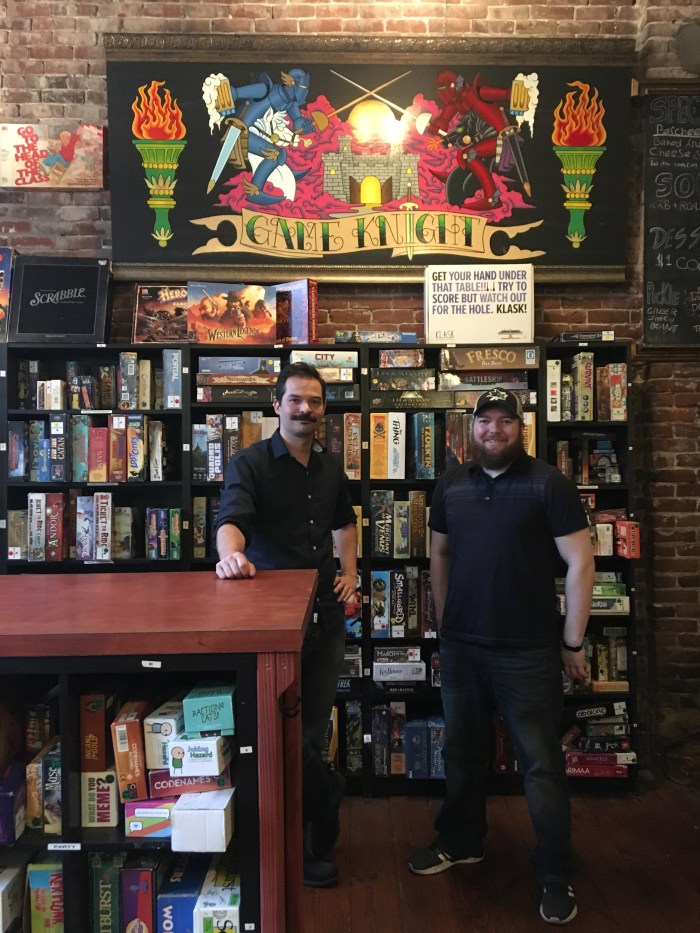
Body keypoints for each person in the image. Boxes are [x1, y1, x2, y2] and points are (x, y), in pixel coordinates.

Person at [408, 387, 594, 926]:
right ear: (472, 428)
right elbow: (438, 554)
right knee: (462, 753)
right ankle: (462, 841)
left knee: (541, 766)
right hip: (463, 648)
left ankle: (556, 873)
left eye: (505, 420)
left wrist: (573, 641)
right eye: (484, 420)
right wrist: (445, 627)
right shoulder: (451, 485)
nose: (494, 429)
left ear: (522, 428)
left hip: (529, 650)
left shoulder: (548, 483)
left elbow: (581, 564)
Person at [215, 362, 358, 889]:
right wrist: (230, 558)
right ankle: (323, 801)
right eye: (295, 400)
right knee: (279, 737)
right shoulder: (249, 462)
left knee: (311, 736)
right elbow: (231, 518)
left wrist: (350, 572)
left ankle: (301, 843)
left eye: (314, 402)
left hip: (326, 616)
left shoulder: (329, 467)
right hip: (271, 624)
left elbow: (345, 520)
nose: (305, 409)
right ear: (276, 406)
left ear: (323, 410)